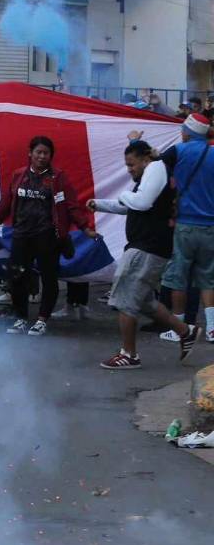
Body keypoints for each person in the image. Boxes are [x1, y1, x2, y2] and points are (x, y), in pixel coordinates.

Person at [90, 139, 198, 368]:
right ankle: (185, 331)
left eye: (131, 164)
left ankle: (129, 354)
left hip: (147, 246)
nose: (129, 170)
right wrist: (99, 204)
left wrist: (123, 196)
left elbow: (141, 203)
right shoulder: (152, 174)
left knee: (125, 298)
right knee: (144, 301)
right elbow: (132, 205)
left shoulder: (155, 169)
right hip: (150, 245)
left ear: (145, 159)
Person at [0, 135, 97, 336]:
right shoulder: (19, 175)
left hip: (47, 238)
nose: (42, 156)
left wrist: (85, 228)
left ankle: (42, 319)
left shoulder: (58, 178)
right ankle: (20, 318)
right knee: (16, 276)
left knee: (49, 278)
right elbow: (6, 203)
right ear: (30, 153)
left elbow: (72, 206)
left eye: (46, 153)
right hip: (21, 236)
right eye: (38, 152)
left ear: (51, 156)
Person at [159, 113, 214, 341]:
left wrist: (134, 142)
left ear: (186, 132)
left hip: (184, 226)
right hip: (210, 226)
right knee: (208, 278)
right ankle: (212, 328)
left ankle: (179, 328)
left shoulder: (177, 152)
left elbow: (153, 162)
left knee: (178, 278)